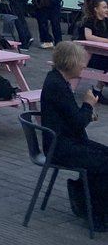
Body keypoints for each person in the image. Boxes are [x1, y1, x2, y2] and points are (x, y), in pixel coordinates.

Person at [41, 41, 108, 228]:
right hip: (59, 147)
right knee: (103, 163)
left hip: (64, 140)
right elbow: (77, 121)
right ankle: (96, 214)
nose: (84, 65)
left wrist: (86, 112)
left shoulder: (57, 80)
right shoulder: (58, 86)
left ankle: (85, 197)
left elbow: (71, 118)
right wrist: (87, 105)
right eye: (81, 61)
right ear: (70, 62)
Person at [79, 0, 108, 103]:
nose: (107, 10)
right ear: (96, 9)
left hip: (103, 54)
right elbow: (89, 36)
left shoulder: (106, 22)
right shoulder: (89, 21)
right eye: (104, 7)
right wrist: (105, 41)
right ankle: (97, 90)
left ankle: (97, 89)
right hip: (90, 56)